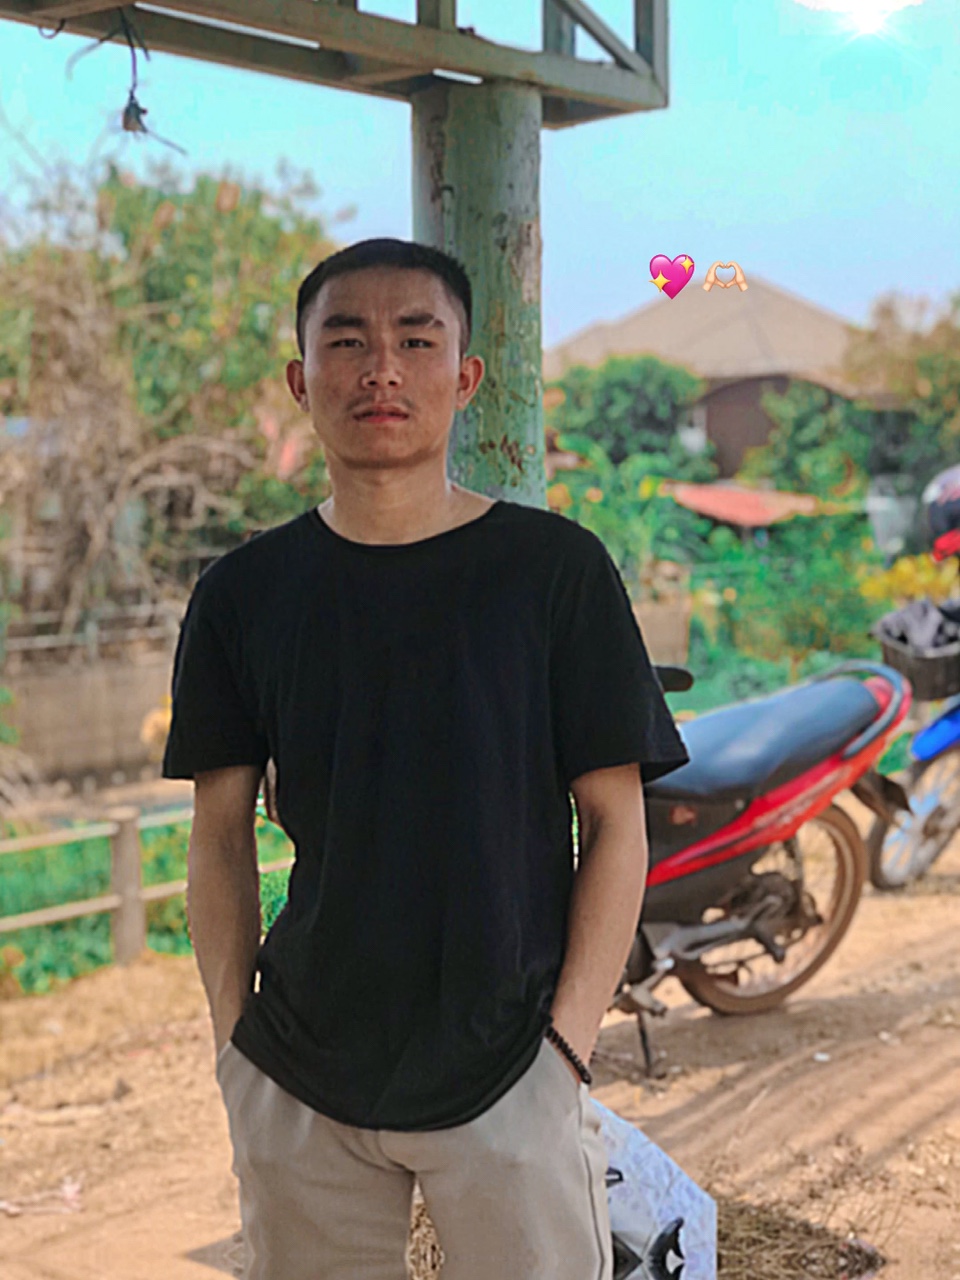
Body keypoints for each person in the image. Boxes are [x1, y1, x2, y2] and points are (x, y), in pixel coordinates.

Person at [162, 238, 688, 1280]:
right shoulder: (243, 595)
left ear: (466, 375)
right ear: (300, 379)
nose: (382, 370)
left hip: (512, 1063)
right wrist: (235, 1048)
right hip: (301, 1069)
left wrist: (566, 1047)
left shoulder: (555, 572)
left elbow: (616, 823)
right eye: (346, 341)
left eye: (415, 339)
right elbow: (218, 837)